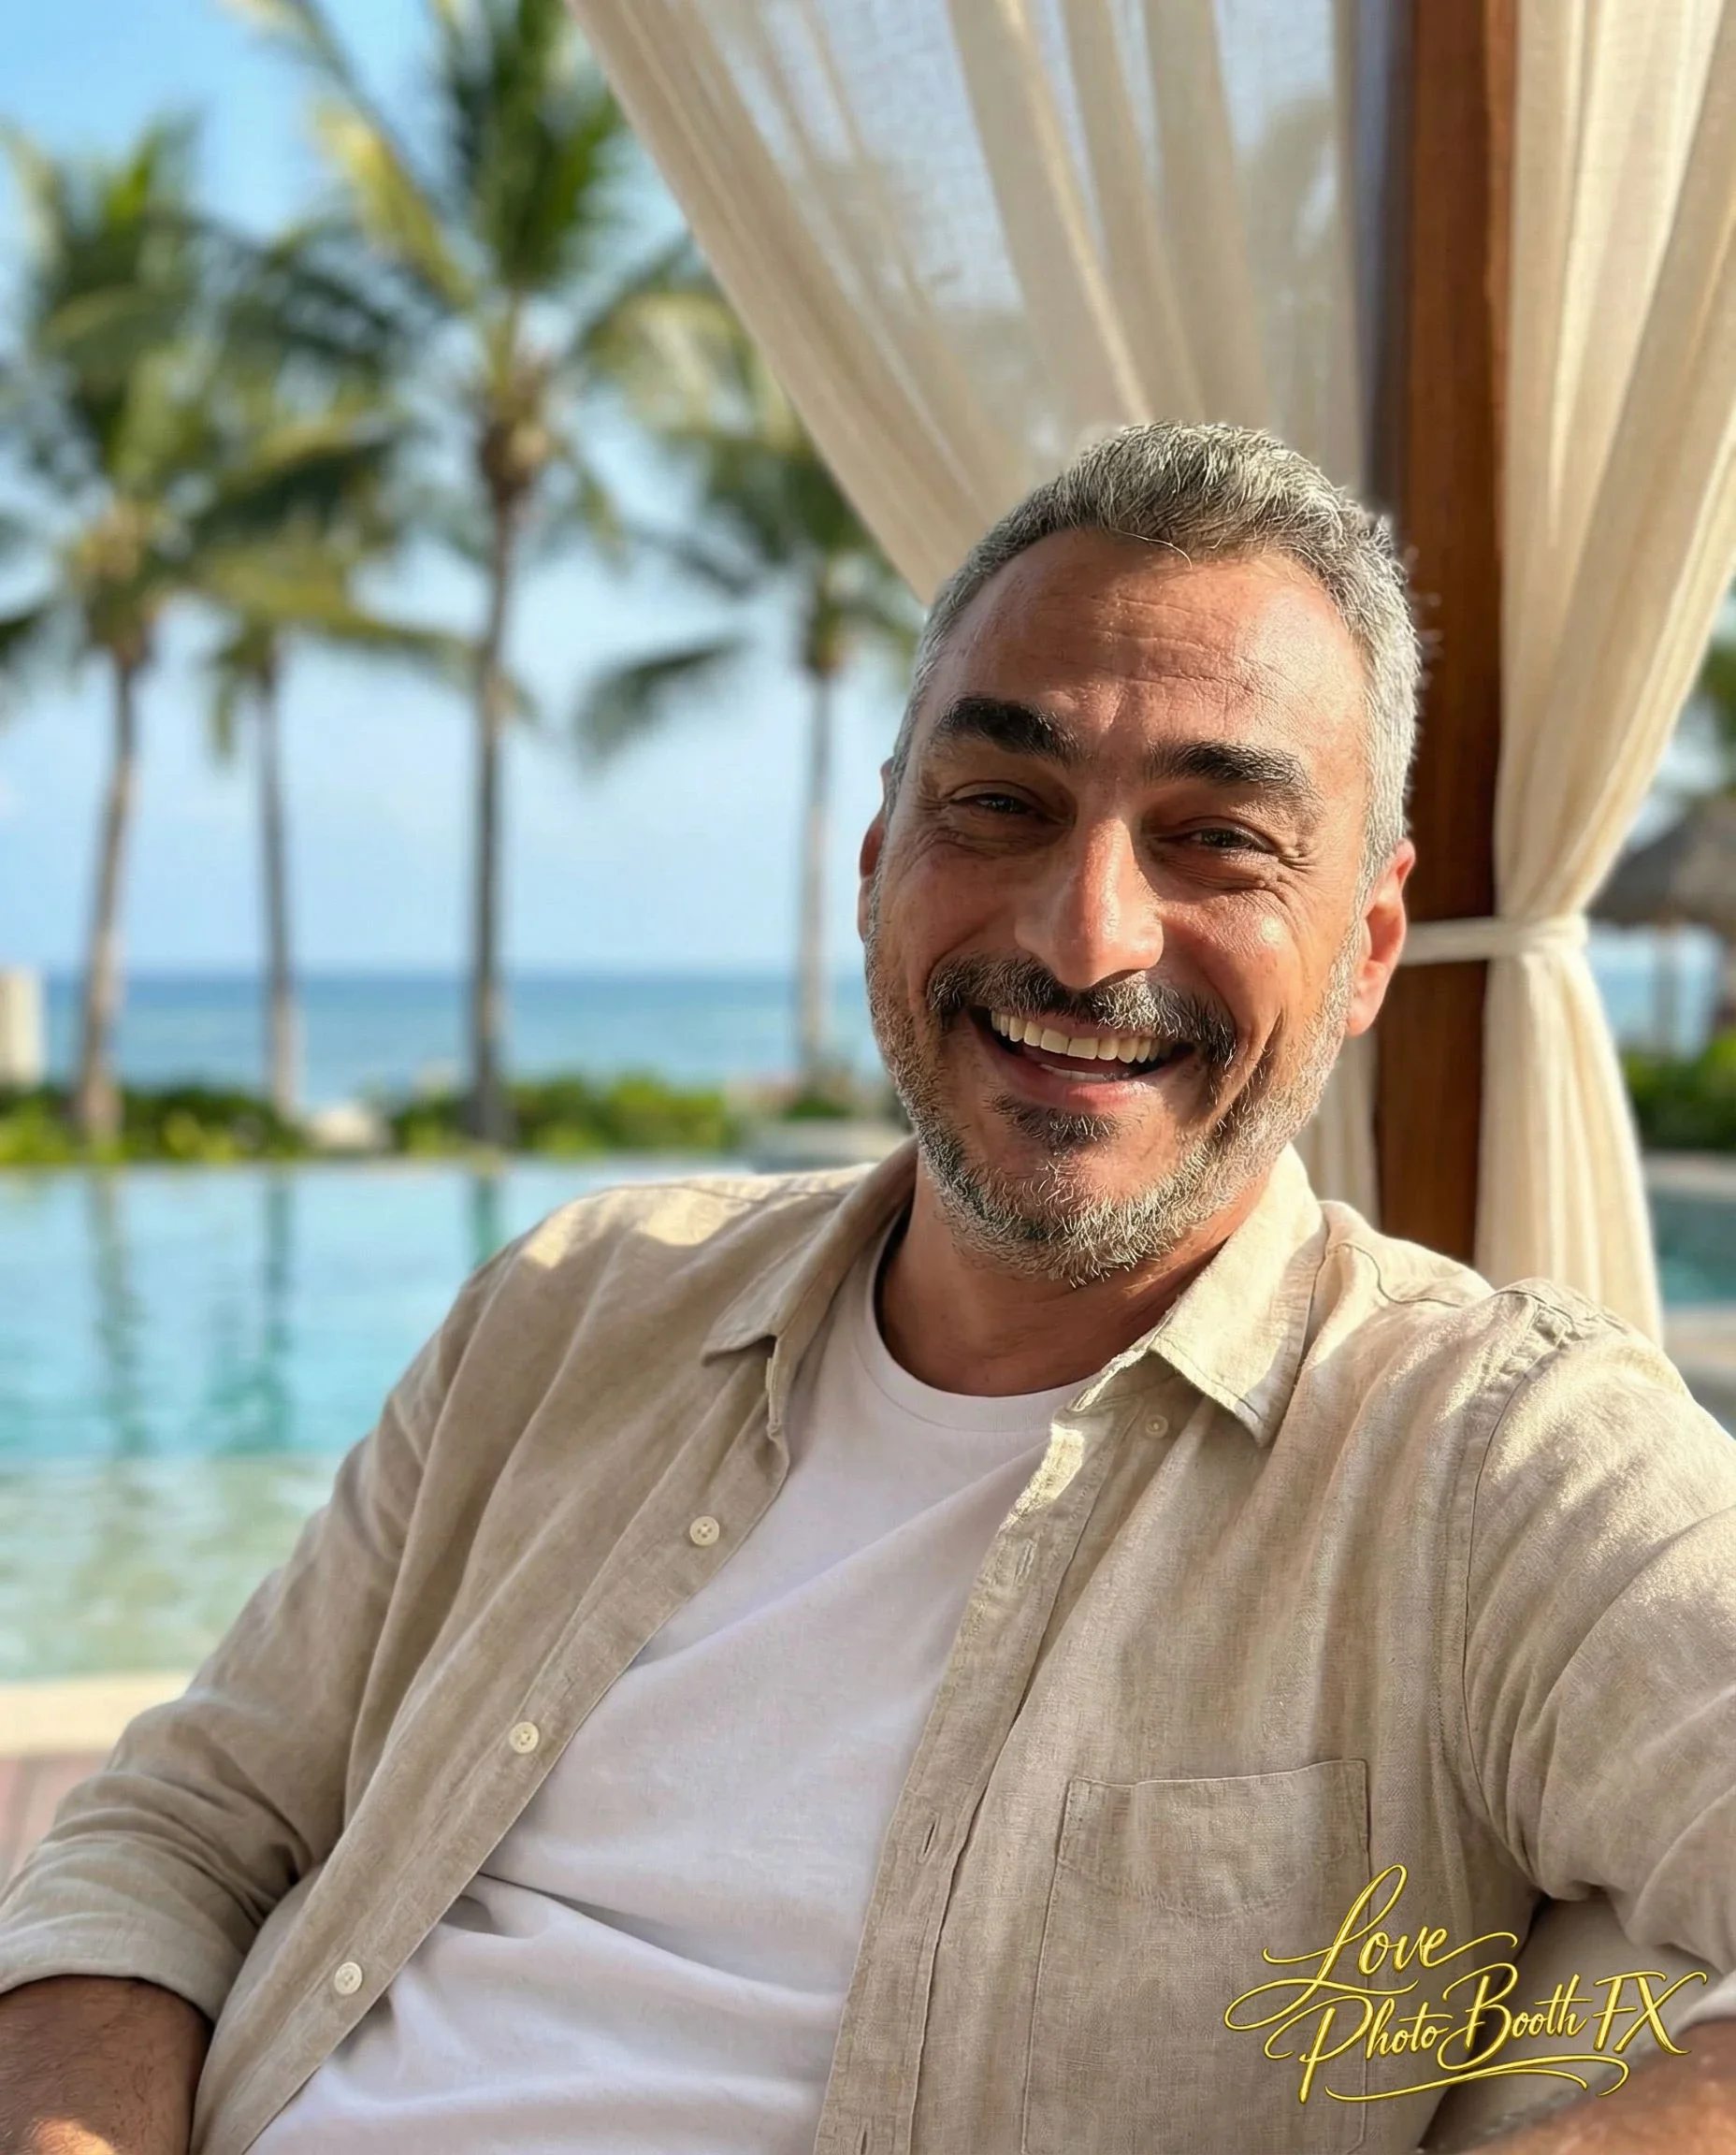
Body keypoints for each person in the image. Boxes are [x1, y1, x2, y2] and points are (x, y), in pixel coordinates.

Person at [3, 421, 1735, 2155]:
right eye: (1001, 804)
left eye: (1218, 840)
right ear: (875, 862)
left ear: (1364, 949)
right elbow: (177, 1827)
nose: (1085, 935)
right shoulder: (578, 1308)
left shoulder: (1493, 1462)